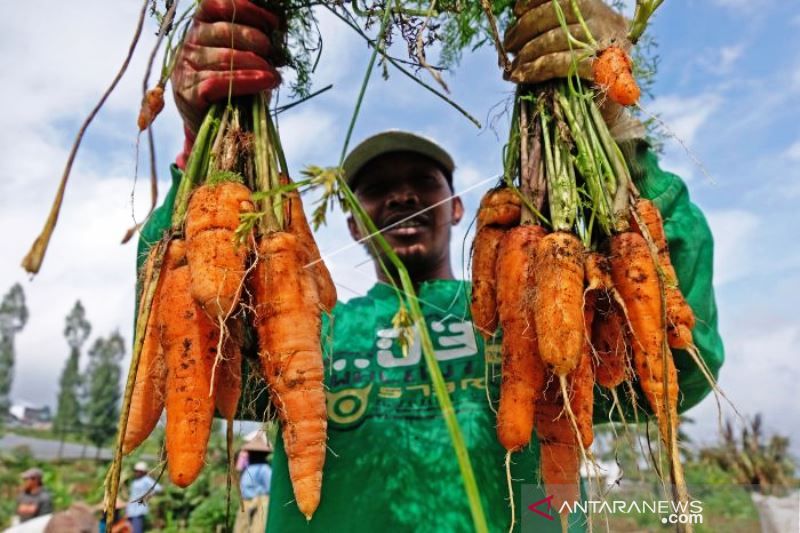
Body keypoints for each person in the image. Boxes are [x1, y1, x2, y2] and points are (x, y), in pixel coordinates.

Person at [136, 0, 725, 531]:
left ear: (458, 206)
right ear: (351, 224)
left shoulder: (532, 307)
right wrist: (200, 149)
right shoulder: (314, 329)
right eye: (377, 190)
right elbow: (190, 353)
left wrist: (614, 136)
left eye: (422, 184)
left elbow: (682, 371)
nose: (401, 198)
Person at [235, 433, 274, 533]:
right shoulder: (249, 467)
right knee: (241, 528)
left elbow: (269, 489)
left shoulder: (265, 469)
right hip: (246, 501)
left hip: (259, 502)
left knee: (257, 529)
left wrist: (258, 500)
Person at [125, 462, 162, 533]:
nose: (137, 472)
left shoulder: (146, 479)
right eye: (136, 471)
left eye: (139, 471)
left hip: (138, 510)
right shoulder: (135, 481)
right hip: (131, 510)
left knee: (137, 530)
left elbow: (158, 488)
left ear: (143, 472)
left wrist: (148, 496)